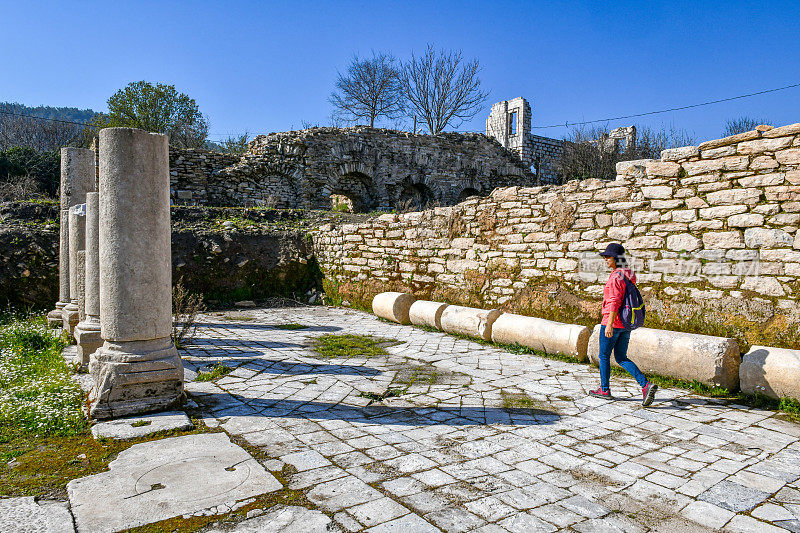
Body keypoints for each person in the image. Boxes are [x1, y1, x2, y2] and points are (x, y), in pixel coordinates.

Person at [590, 243, 657, 407]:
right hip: (626, 323)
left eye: (608, 256)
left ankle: (604, 390)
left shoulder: (615, 277)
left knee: (604, 356)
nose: (606, 259)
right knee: (621, 357)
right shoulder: (628, 274)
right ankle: (645, 385)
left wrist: (610, 324)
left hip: (612, 322)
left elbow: (614, 302)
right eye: (605, 256)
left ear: (616, 258)